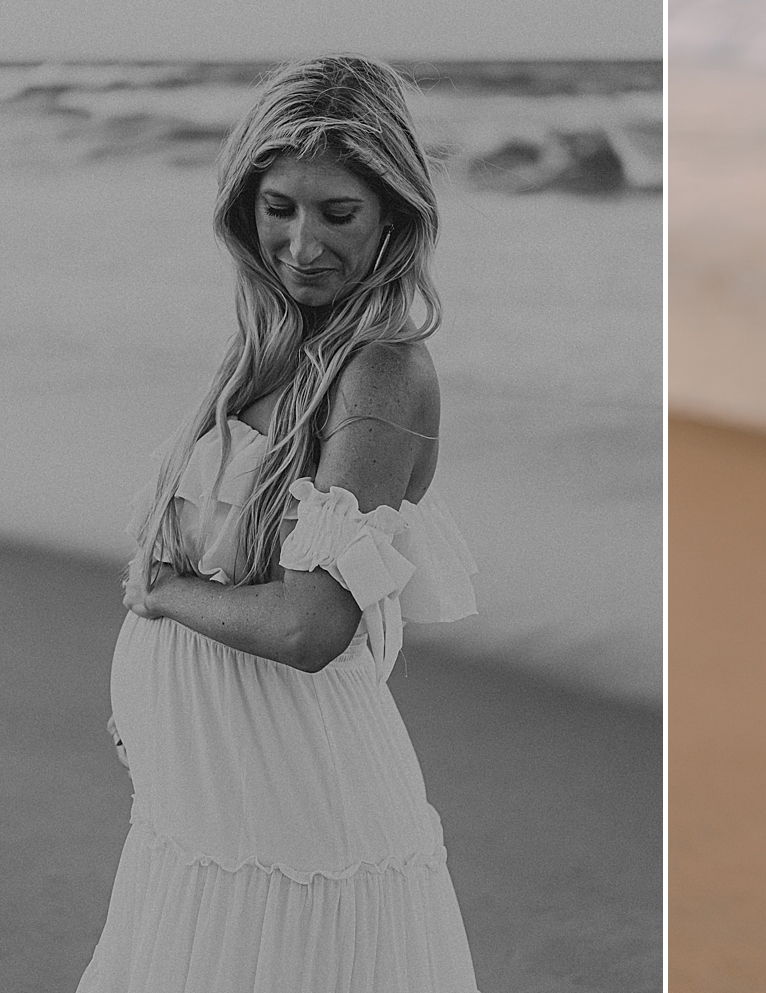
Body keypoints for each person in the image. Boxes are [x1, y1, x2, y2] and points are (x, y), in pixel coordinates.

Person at [79, 55, 480, 991]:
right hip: (202, 812)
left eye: (338, 213)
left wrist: (163, 595)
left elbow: (311, 624)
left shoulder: (380, 369)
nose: (303, 244)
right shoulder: (264, 349)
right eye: (279, 208)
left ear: (395, 214)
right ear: (243, 208)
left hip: (296, 816)